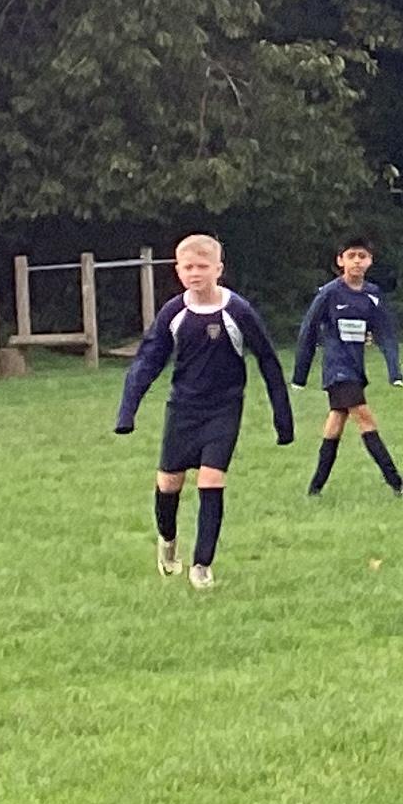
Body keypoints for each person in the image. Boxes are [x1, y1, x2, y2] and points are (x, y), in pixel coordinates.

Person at [113, 234, 294, 590]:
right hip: (183, 408)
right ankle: (168, 542)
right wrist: (127, 412)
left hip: (225, 407)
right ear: (178, 270)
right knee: (169, 483)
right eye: (188, 267)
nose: (195, 273)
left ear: (218, 269)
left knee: (211, 479)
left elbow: (268, 361)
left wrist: (283, 419)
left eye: (202, 266)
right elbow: (148, 361)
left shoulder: (237, 311)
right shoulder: (174, 313)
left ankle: (202, 565)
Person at [292, 241, 403, 501]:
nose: (357, 261)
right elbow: (308, 330)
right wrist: (300, 374)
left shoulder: (372, 295)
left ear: (370, 261)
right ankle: (398, 484)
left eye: (362, 256)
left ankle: (314, 490)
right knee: (365, 419)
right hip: (338, 370)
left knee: (335, 424)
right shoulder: (329, 293)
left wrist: (394, 371)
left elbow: (385, 333)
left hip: (356, 370)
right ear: (340, 260)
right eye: (351, 256)